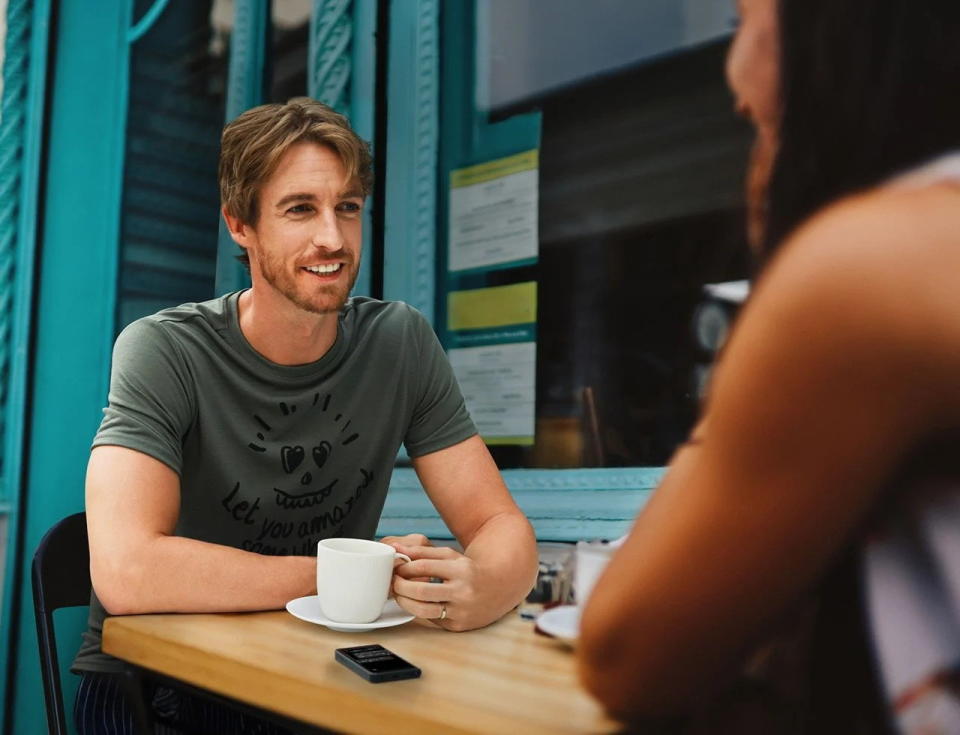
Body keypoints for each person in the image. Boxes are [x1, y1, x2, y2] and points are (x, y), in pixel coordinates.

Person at [72, 98, 538, 734]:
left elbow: (499, 523)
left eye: (347, 207)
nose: (333, 238)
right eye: (300, 209)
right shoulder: (165, 349)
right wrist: (354, 573)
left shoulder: (398, 342)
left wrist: (486, 582)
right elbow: (128, 572)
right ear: (240, 224)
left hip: (313, 667)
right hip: (163, 683)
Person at [578, 0, 960, 732]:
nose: (728, 72)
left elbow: (624, 652)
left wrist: (781, 268)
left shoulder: (869, 272)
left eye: (738, 17)